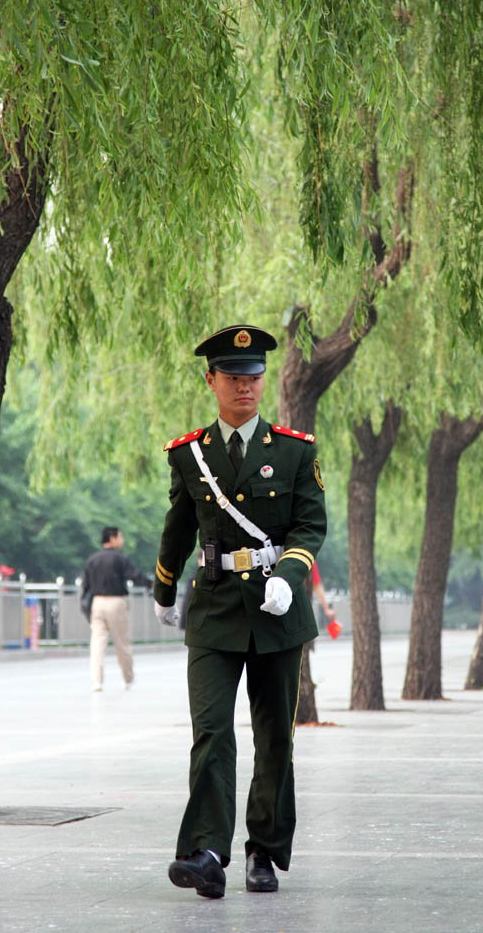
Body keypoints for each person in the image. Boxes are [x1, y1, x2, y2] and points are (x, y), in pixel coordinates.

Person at [153, 324, 327, 899]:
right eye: (233, 377)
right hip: (213, 608)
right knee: (211, 732)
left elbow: (310, 525)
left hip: (278, 610)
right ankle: (205, 851)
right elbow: (179, 525)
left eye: (253, 378)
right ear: (212, 381)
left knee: (275, 735)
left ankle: (264, 851)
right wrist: (163, 586)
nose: (245, 387)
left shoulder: (296, 450)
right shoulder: (189, 455)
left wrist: (292, 576)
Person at [81, 526, 149, 691]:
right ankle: (128, 678)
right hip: (116, 602)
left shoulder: (92, 560)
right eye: (120, 537)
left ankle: (97, 681)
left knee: (97, 643)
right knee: (122, 642)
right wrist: (152, 583)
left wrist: (86, 608)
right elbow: (135, 575)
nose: (122, 540)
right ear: (112, 538)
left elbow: (85, 587)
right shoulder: (120, 559)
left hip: (97, 603)